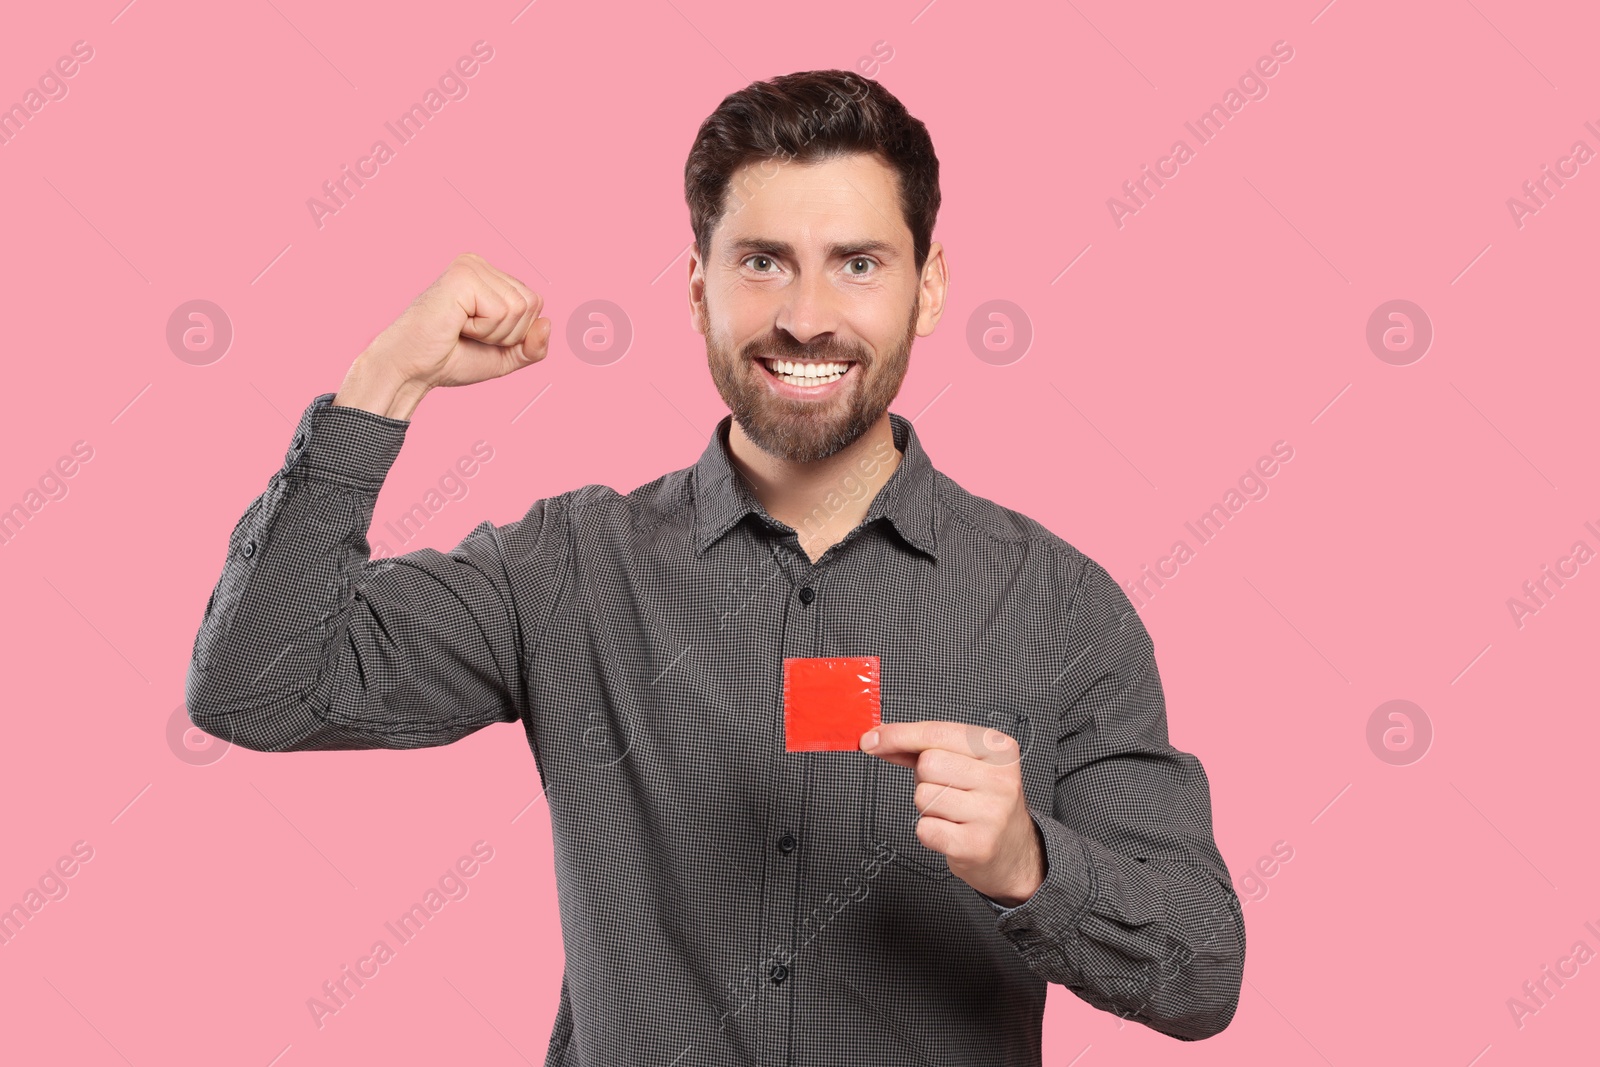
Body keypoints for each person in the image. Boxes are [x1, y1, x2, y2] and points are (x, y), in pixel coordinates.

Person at [187, 68, 1244, 1064]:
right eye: (762, 260)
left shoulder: (1058, 607)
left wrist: (1031, 864)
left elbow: (1202, 970)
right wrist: (384, 381)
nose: (805, 316)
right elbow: (257, 687)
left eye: (859, 263)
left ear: (927, 289)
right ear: (697, 287)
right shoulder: (565, 566)